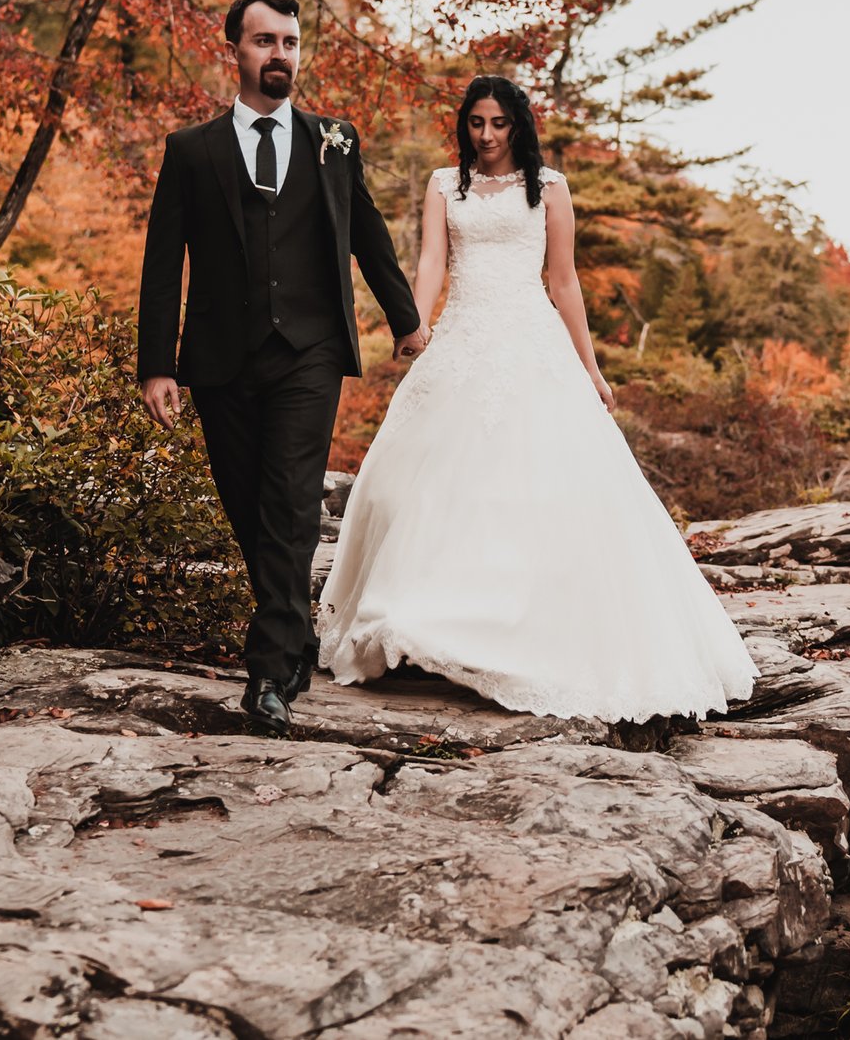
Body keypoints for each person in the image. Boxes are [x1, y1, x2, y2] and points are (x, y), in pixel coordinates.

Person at [317, 75, 756, 721]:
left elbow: (565, 280)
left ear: (517, 125)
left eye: (498, 123)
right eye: (476, 123)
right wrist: (417, 322)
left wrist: (593, 367)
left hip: (531, 342)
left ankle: (525, 632)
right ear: (464, 125)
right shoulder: (444, 185)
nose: (487, 135)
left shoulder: (550, 188)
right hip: (463, 337)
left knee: (540, 483)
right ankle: (423, 622)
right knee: (427, 485)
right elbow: (433, 259)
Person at [137, 0, 427, 736]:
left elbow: (368, 235)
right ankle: (296, 635)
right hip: (219, 357)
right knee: (247, 509)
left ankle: (267, 674)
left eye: (290, 42)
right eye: (265, 41)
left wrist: (406, 319)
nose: (280, 55)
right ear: (234, 49)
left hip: (311, 351)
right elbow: (163, 263)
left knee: (292, 506)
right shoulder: (191, 151)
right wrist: (155, 364)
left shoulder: (335, 140)